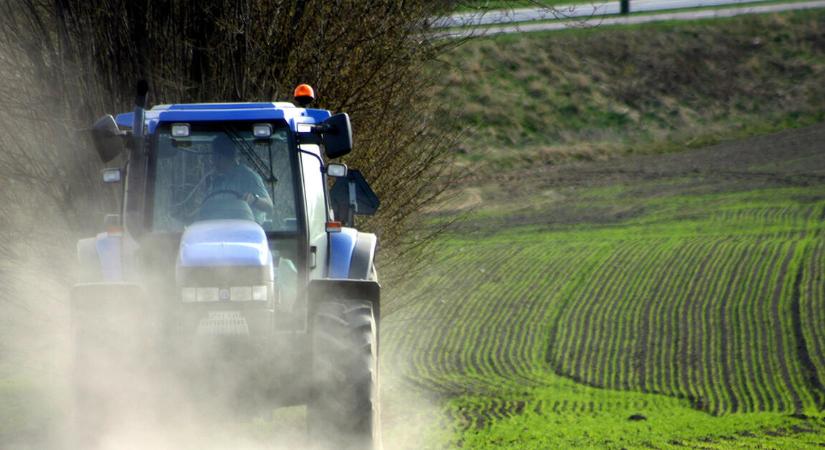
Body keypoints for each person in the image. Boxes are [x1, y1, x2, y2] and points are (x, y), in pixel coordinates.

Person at [199, 134, 273, 223]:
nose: (212, 161)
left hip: (248, 233)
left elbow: (269, 206)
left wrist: (254, 199)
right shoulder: (215, 181)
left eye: (213, 156)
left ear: (220, 156)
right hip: (218, 232)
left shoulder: (249, 177)